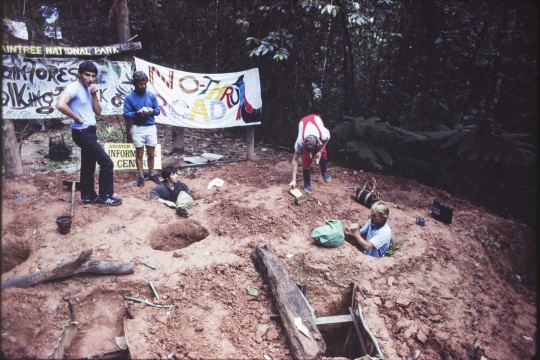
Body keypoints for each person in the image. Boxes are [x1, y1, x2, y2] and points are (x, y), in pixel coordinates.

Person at [56, 61, 122, 206]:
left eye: (93, 76)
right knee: (107, 163)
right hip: (82, 132)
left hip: (89, 131)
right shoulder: (73, 87)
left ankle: (88, 196)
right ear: (80, 74)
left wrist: (94, 95)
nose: (90, 78)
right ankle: (106, 196)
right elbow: (60, 104)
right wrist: (76, 117)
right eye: (87, 75)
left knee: (88, 165)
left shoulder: (88, 88)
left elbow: (98, 112)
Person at [123, 71, 161, 187]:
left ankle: (152, 173)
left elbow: (158, 111)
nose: (143, 86)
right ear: (135, 83)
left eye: (145, 84)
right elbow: (126, 114)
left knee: (151, 153)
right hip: (138, 128)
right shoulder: (129, 97)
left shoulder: (151, 96)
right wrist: (137, 113)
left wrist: (152, 111)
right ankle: (141, 176)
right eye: (141, 84)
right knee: (139, 153)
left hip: (150, 127)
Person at [289, 114, 331, 193]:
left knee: (324, 154)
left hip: (316, 120)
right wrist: (293, 180)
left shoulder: (323, 134)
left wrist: (320, 151)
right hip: (303, 122)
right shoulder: (300, 141)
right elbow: (295, 160)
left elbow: (328, 139)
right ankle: (307, 183)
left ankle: (324, 171)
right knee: (306, 159)